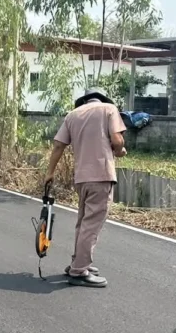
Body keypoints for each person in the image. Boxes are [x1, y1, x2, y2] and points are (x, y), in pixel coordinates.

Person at [44, 87, 127, 287]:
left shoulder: (73, 115)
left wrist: (49, 173)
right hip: (101, 175)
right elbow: (117, 140)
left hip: (81, 178)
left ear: (85, 100)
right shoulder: (109, 109)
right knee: (91, 225)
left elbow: (58, 146)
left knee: (83, 222)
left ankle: (78, 262)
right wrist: (120, 150)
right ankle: (79, 271)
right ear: (102, 98)